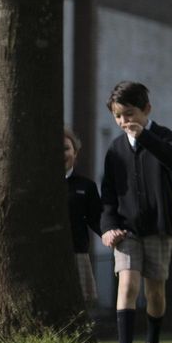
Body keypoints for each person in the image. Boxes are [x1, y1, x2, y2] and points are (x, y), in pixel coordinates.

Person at [99, 82, 172, 343]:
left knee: (155, 291)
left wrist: (145, 136)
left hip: (159, 228)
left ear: (146, 109)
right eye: (118, 116)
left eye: (130, 113)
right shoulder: (114, 150)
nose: (125, 121)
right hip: (127, 230)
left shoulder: (162, 137)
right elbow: (109, 194)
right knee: (128, 284)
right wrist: (108, 226)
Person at [64, 125, 102, 306]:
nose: (62, 154)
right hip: (45, 256)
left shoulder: (86, 186)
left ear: (75, 152)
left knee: (79, 306)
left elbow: (97, 219)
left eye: (66, 149)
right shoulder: (39, 186)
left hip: (77, 252)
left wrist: (114, 235)